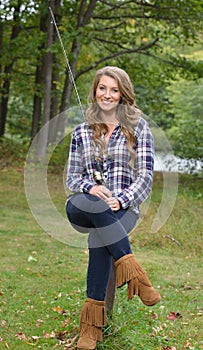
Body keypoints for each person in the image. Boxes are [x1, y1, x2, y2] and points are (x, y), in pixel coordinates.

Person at [66, 66, 161, 350]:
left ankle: (90, 328)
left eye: (114, 89)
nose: (107, 95)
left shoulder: (138, 128)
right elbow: (72, 177)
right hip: (82, 204)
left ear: (123, 95)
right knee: (95, 211)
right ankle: (136, 275)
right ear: (95, 91)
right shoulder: (81, 131)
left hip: (123, 208)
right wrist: (91, 188)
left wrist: (120, 199)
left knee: (100, 235)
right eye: (102, 88)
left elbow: (145, 176)